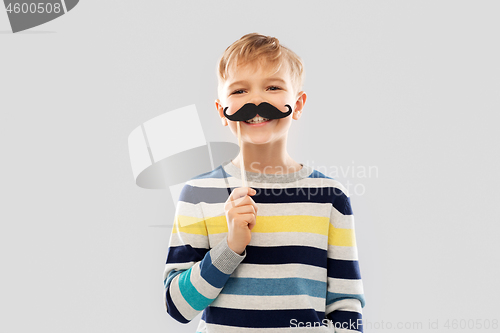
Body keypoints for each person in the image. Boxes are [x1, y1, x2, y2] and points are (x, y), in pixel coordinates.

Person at [163, 32, 365, 332]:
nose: (256, 100)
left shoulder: (329, 197)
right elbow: (178, 307)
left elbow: (346, 307)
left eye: (272, 87)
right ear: (221, 111)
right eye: (239, 91)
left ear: (297, 104)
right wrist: (230, 247)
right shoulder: (197, 195)